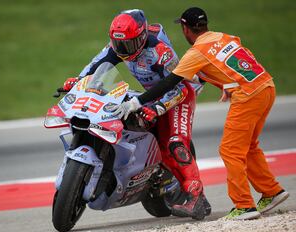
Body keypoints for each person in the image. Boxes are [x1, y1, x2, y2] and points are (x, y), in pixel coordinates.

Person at [113, 7, 289, 220]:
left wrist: (136, 102)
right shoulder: (224, 37)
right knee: (249, 146)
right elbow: (241, 58)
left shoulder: (196, 53)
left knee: (230, 151)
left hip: (247, 95)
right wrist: (227, 83)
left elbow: (170, 82)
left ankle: (244, 206)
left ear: (186, 29)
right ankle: (272, 191)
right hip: (266, 86)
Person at [62, 9, 211, 219]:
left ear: (141, 37)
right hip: (148, 97)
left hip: (177, 96)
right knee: (127, 122)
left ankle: (197, 198)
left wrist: (157, 107)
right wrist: (76, 83)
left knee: (175, 144)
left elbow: (179, 87)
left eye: (128, 45)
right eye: (118, 43)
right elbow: (94, 67)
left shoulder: (160, 52)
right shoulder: (117, 46)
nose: (122, 50)